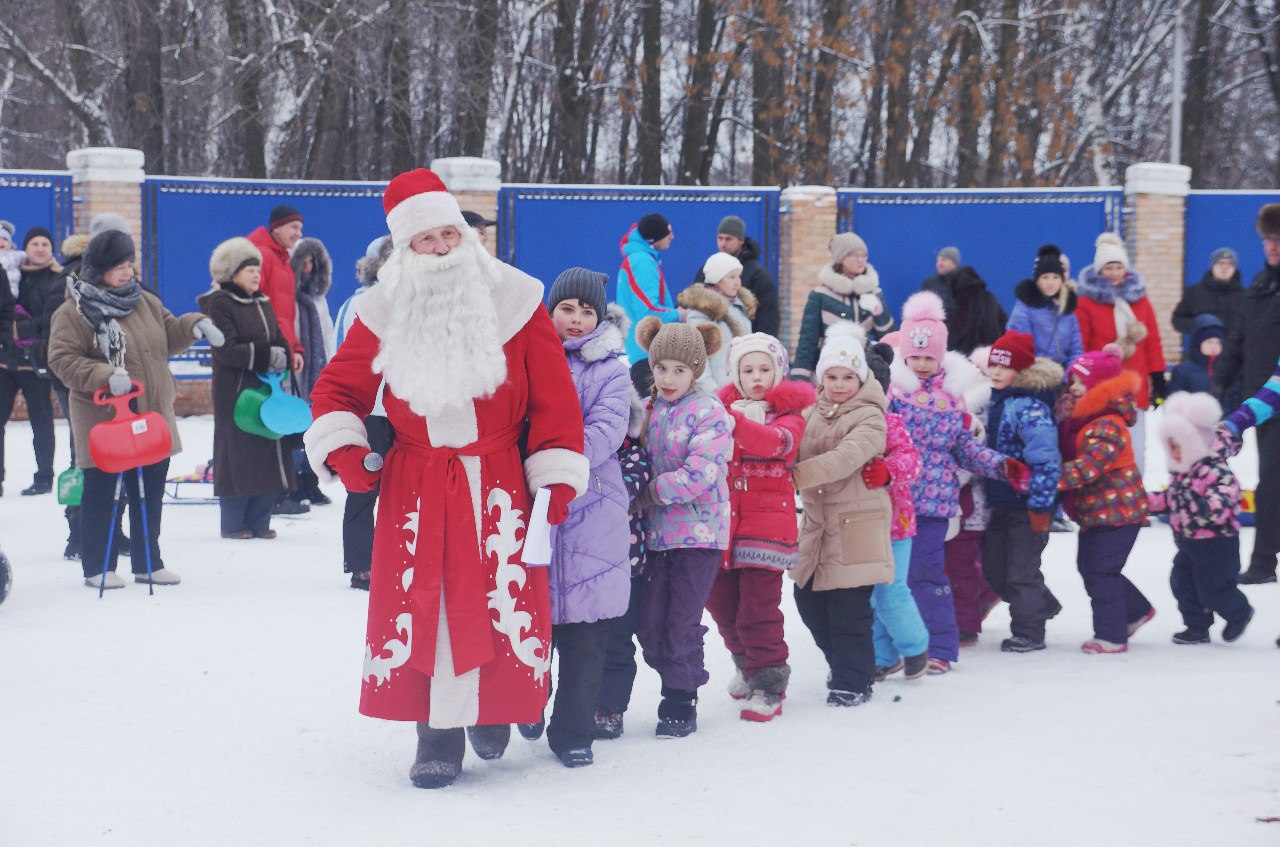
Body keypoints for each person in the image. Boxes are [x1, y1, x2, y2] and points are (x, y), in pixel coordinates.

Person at [303, 167, 587, 789]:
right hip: (417, 482)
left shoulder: (518, 298)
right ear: (405, 250)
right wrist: (345, 450)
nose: (440, 248)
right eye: (424, 240)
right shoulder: (381, 308)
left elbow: (555, 401)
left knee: (500, 599)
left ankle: (496, 710)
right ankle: (436, 736)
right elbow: (337, 390)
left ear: (464, 233)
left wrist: (558, 474)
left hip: (500, 482)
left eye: (447, 234)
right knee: (423, 602)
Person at [48, 229, 223, 589]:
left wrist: (194, 325)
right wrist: (103, 373)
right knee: (103, 494)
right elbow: (61, 359)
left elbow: (170, 334)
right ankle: (98, 566)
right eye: (119, 266)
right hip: (105, 419)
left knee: (149, 492)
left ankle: (148, 563)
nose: (127, 272)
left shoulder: (143, 300)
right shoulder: (74, 310)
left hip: (152, 414)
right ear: (98, 269)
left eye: (130, 264)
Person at [887, 292, 1029, 673]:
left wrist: (1003, 466)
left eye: (928, 357)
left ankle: (942, 647)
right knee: (890, 579)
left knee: (928, 575)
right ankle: (896, 648)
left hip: (934, 504)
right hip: (892, 500)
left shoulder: (952, 400)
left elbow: (965, 447)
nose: (920, 364)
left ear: (940, 358)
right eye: (914, 357)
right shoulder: (891, 397)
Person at [537, 267, 632, 767]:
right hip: (532, 508)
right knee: (531, 625)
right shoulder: (526, 359)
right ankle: (527, 704)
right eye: (567, 309)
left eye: (587, 311)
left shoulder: (611, 369)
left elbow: (608, 426)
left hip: (593, 510)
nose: (576, 319)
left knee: (586, 634)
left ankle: (573, 731)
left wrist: (556, 463)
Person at [629, 318, 731, 738]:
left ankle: (680, 695)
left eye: (679, 370)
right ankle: (673, 669)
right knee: (649, 621)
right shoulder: (648, 409)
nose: (668, 378)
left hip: (698, 536)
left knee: (682, 620)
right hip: (655, 536)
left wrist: (648, 492)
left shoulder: (709, 412)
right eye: (660, 368)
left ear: (696, 371)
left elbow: (700, 472)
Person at [708, 332, 815, 721]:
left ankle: (769, 683)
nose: (757, 377)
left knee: (758, 611)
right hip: (723, 525)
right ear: (734, 375)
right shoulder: (721, 410)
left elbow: (776, 444)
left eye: (765, 369)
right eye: (747, 369)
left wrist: (731, 421)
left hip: (767, 528)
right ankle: (747, 665)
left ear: (779, 372)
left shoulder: (788, 415)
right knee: (721, 605)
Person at [792, 322, 892, 706]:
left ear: (860, 377)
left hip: (855, 524)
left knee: (848, 611)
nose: (838, 383)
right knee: (807, 600)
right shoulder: (811, 412)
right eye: (831, 376)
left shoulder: (870, 415)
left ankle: (854, 680)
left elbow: (845, 458)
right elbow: (788, 443)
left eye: (847, 376)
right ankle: (846, 665)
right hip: (817, 525)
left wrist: (793, 477)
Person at [1056, 344, 1156, 653]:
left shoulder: (1106, 424)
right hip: (1099, 513)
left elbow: (1089, 468)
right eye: (1072, 380)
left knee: (1101, 571)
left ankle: (1112, 636)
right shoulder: (1086, 418)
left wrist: (1047, 480)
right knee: (1090, 567)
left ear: (1101, 388)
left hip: (1119, 514)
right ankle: (1136, 610)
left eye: (1080, 383)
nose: (1073, 388)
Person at [197, 237, 296, 540]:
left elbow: (278, 337)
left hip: (267, 389)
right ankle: (234, 523)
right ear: (231, 272)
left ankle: (260, 520)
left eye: (257, 269)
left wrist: (283, 356)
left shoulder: (262, 302)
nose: (256, 275)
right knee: (237, 453)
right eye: (249, 269)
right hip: (235, 391)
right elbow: (225, 349)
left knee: (268, 447)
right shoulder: (220, 303)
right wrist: (267, 355)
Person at [1148, 392, 1254, 645]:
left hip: (1217, 543)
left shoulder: (1214, 469)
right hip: (1188, 542)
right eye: (1170, 445)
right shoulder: (1182, 473)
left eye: (1179, 444)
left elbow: (1226, 498)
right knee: (1182, 582)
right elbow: (1172, 499)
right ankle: (1197, 626)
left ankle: (1239, 613)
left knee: (1215, 588)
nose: (1174, 450)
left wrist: (1204, 506)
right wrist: (1145, 503)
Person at [981, 331, 1063, 653]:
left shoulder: (1029, 408)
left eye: (1006, 367)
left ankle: (1029, 632)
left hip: (1029, 506)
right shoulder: (999, 401)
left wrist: (1041, 507)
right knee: (993, 568)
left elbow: (1046, 459)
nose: (997, 372)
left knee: (1020, 571)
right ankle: (1041, 605)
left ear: (1022, 370)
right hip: (1002, 503)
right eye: (994, 365)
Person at [858, 341, 929, 682]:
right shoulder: (844, 424)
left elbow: (912, 462)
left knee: (891, 590)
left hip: (895, 525)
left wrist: (888, 470)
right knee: (869, 594)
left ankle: (915, 646)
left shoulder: (891, 423)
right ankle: (883, 657)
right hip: (859, 524)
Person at [1216, 204, 1280, 584]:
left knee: (1273, 481)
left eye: (1278, 239)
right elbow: (1238, 338)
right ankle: (1263, 561)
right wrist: (1220, 382)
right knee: (1270, 480)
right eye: (1268, 239)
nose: (1272, 246)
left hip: (1270, 399)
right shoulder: (1260, 285)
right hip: (1264, 405)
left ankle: (1262, 562)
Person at [1075, 232, 1165, 475]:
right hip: (1102, 386)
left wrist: (1158, 377)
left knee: (1136, 443)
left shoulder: (1140, 301)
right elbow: (1081, 345)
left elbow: (1152, 341)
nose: (1114, 273)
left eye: (1118, 267)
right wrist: (1081, 379)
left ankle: (1135, 491)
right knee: (1103, 442)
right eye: (1108, 268)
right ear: (1099, 271)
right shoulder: (1086, 303)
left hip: (1135, 385)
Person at [333, 235, 394, 589]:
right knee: (362, 486)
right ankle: (361, 564)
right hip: (371, 410)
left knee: (397, 489)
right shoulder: (360, 303)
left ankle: (390, 556)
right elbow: (343, 357)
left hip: (400, 410)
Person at [594, 380, 652, 740]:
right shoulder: (577, 451)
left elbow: (628, 488)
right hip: (574, 568)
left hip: (625, 567)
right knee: (573, 643)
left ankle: (610, 708)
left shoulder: (634, 455)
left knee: (617, 642)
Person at [0, 228, 59, 496]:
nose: (39, 248)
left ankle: (44, 476)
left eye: (45, 244)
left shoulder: (57, 278)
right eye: (34, 243)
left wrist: (20, 328)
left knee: (42, 422)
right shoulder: (12, 274)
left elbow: (53, 318)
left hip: (37, 362)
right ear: (25, 247)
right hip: (5, 361)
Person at [792, 232, 893, 382]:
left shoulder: (875, 293)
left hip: (863, 370)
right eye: (854, 255)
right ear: (841, 258)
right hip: (828, 371)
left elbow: (887, 339)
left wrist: (879, 314)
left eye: (864, 255)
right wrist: (800, 378)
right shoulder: (821, 295)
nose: (861, 260)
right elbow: (808, 340)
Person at [288, 237, 336, 508]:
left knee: (314, 430)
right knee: (295, 430)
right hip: (295, 376)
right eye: (303, 261)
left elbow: (327, 335)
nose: (308, 266)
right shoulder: (289, 299)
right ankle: (294, 484)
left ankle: (311, 481)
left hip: (317, 375)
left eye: (312, 262)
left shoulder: (318, 299)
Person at [616, 214, 678, 396]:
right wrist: (679, 315)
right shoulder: (641, 261)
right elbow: (648, 310)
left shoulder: (640, 259)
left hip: (648, 353)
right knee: (651, 420)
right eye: (668, 232)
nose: (672, 237)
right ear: (655, 236)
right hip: (646, 354)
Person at [678, 252, 756, 390]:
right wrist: (712, 392)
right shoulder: (703, 313)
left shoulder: (740, 308)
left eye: (739, 276)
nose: (738, 282)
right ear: (717, 280)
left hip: (741, 388)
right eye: (731, 277)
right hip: (718, 390)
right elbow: (696, 357)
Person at [246, 206, 306, 372]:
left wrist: (293, 347)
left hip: (278, 351)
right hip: (265, 352)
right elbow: (250, 305)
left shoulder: (284, 264)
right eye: (293, 227)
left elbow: (285, 316)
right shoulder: (263, 256)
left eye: (300, 229)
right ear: (277, 228)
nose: (299, 234)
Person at [1007, 244, 1084, 370]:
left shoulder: (1067, 309)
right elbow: (1019, 346)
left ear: (1062, 280)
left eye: (1055, 277)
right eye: (1045, 277)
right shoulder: (1024, 307)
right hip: (1033, 375)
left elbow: (1076, 350)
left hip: (1063, 376)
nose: (1050, 283)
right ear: (1037, 280)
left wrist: (1068, 377)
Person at [710, 215, 779, 336]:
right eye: (720, 238)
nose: (723, 244)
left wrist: (759, 347)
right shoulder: (710, 268)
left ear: (741, 240)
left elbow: (768, 319)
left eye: (728, 239)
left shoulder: (758, 276)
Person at [1172, 247, 1246, 347]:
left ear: (1234, 268)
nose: (1225, 268)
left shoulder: (1246, 296)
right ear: (1212, 266)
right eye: (1220, 263)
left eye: (1229, 264)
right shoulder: (1194, 292)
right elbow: (1178, 319)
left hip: (1235, 354)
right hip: (1201, 353)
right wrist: (1198, 327)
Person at [945, 266, 1007, 356]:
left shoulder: (961, 302)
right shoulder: (990, 297)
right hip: (992, 352)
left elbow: (955, 332)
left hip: (967, 355)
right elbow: (1004, 324)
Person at [1168, 314, 1225, 397]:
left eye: (1218, 342)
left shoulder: (1227, 370)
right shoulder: (1183, 371)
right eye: (1209, 342)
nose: (1214, 346)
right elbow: (1174, 400)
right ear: (1198, 343)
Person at [920, 246, 961, 317]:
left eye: (943, 260)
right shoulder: (930, 283)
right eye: (938, 260)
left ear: (954, 264)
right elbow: (920, 307)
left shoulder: (966, 284)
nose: (939, 264)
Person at [0, 221, 26, 292]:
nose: (1, 242)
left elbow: (27, 257)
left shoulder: (14, 255)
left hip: (12, 288)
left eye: (5, 239)